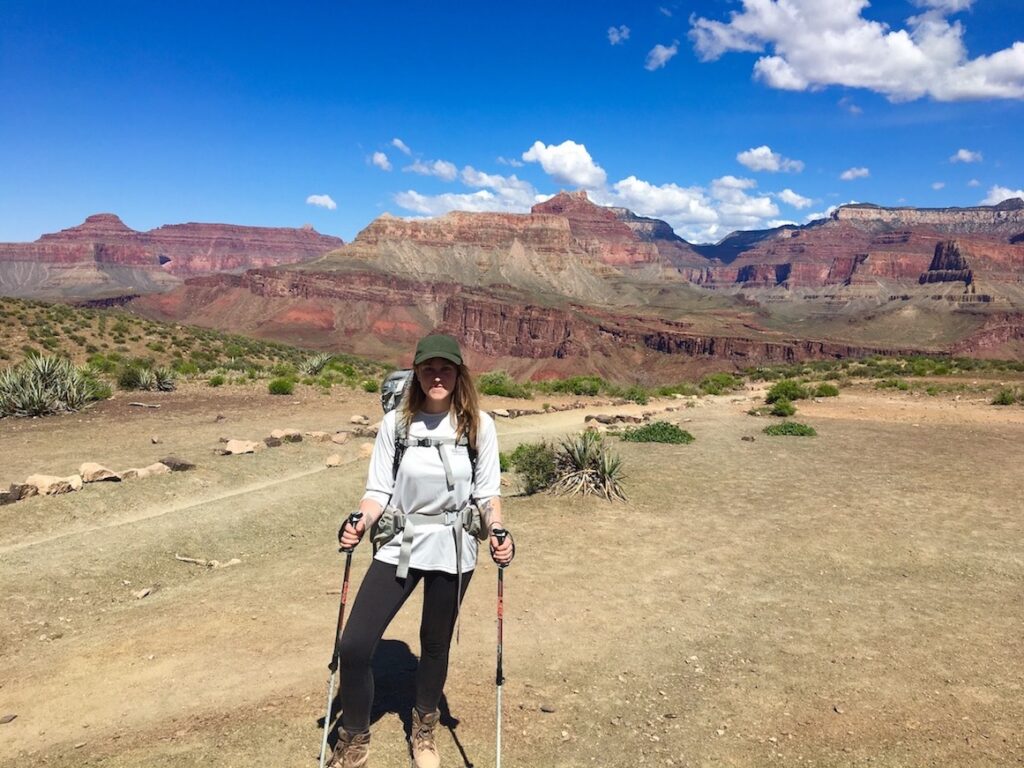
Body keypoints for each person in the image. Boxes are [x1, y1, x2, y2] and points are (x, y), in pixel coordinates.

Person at [329, 333, 515, 768]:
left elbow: (488, 495)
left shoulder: (479, 426)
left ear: (458, 374)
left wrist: (499, 530)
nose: (437, 376)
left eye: (446, 368)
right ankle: (354, 737)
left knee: (434, 645)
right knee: (355, 645)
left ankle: (424, 732)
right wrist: (360, 522)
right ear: (416, 372)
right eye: (428, 368)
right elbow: (377, 490)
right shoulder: (396, 425)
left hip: (454, 548)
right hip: (400, 544)